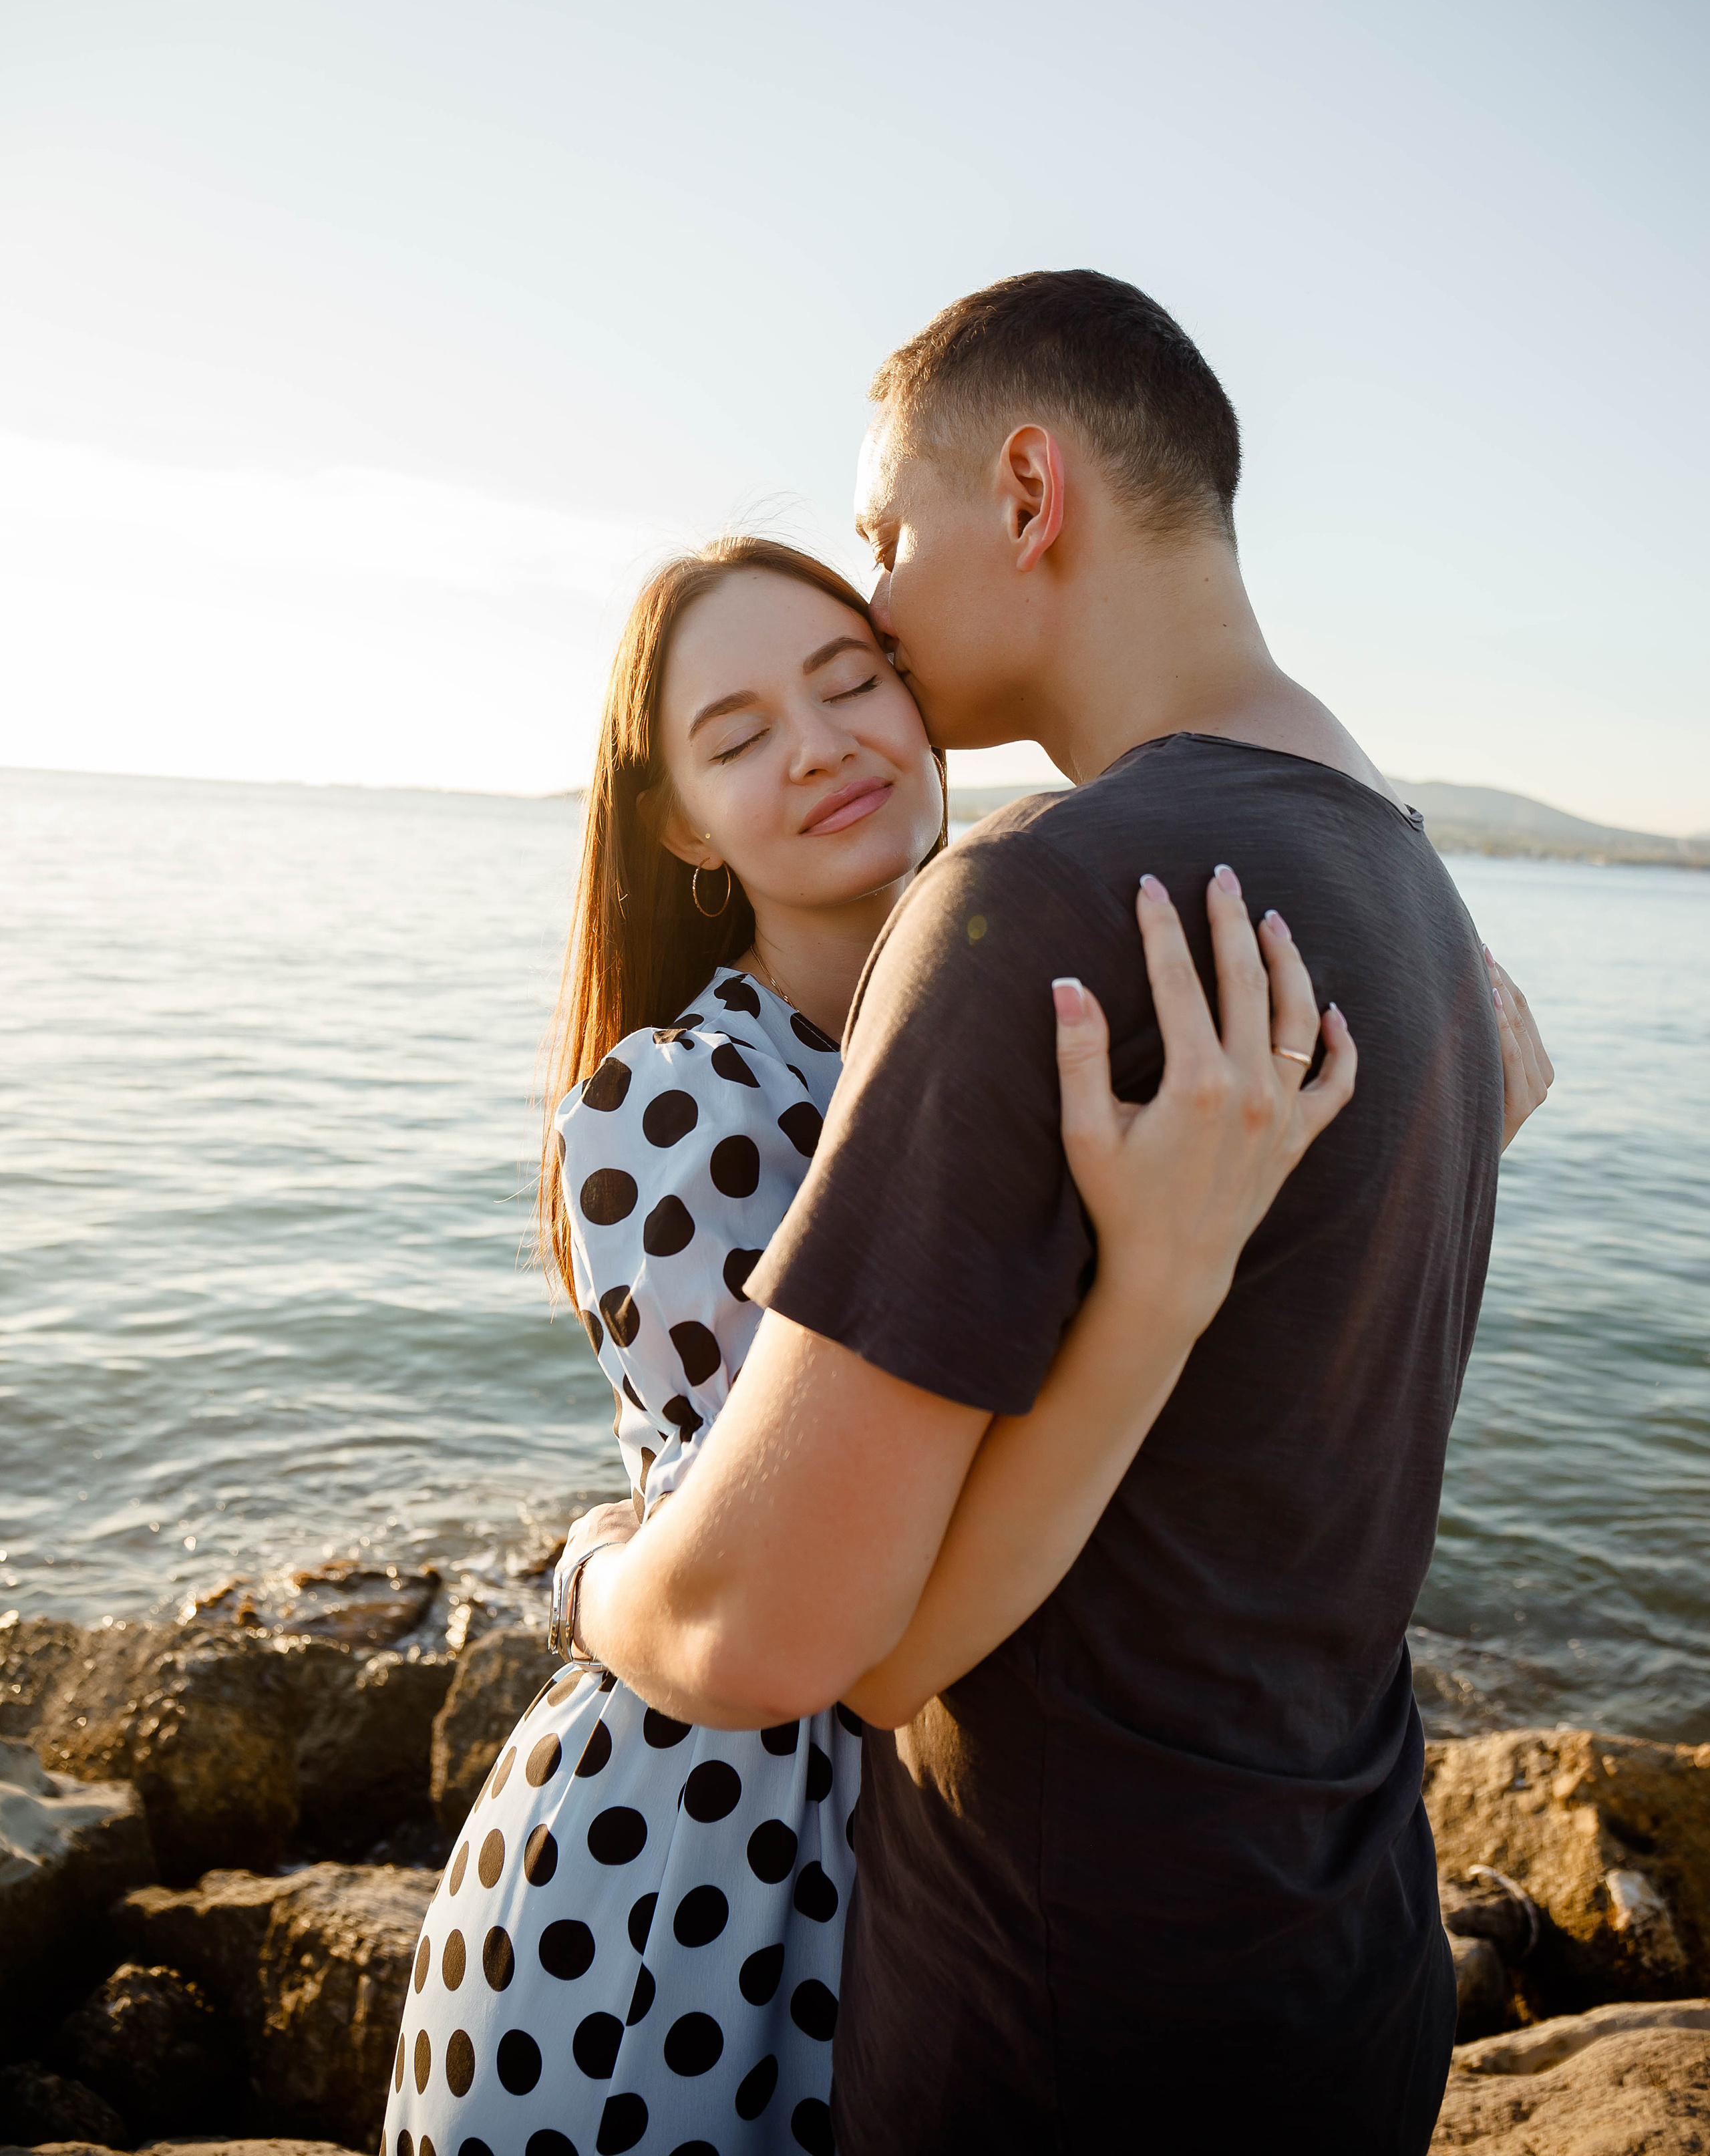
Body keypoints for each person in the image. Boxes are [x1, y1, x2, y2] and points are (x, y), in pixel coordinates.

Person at [558, 273, 1554, 2155]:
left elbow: (792, 1637)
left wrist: (587, 1571)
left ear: (1027, 494)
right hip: (1348, 1967)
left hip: (1070, 2015)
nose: (878, 605)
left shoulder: (1041, 897)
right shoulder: (1417, 903)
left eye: (883, 537)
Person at [383, 533, 1365, 2156]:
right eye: (738, 736)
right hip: (685, 1872)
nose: (820, 745)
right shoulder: (681, 1102)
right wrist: (588, 1582)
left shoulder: (1039, 1027)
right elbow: (835, 1627)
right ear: (681, 824)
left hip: (934, 1860)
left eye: (851, 683)